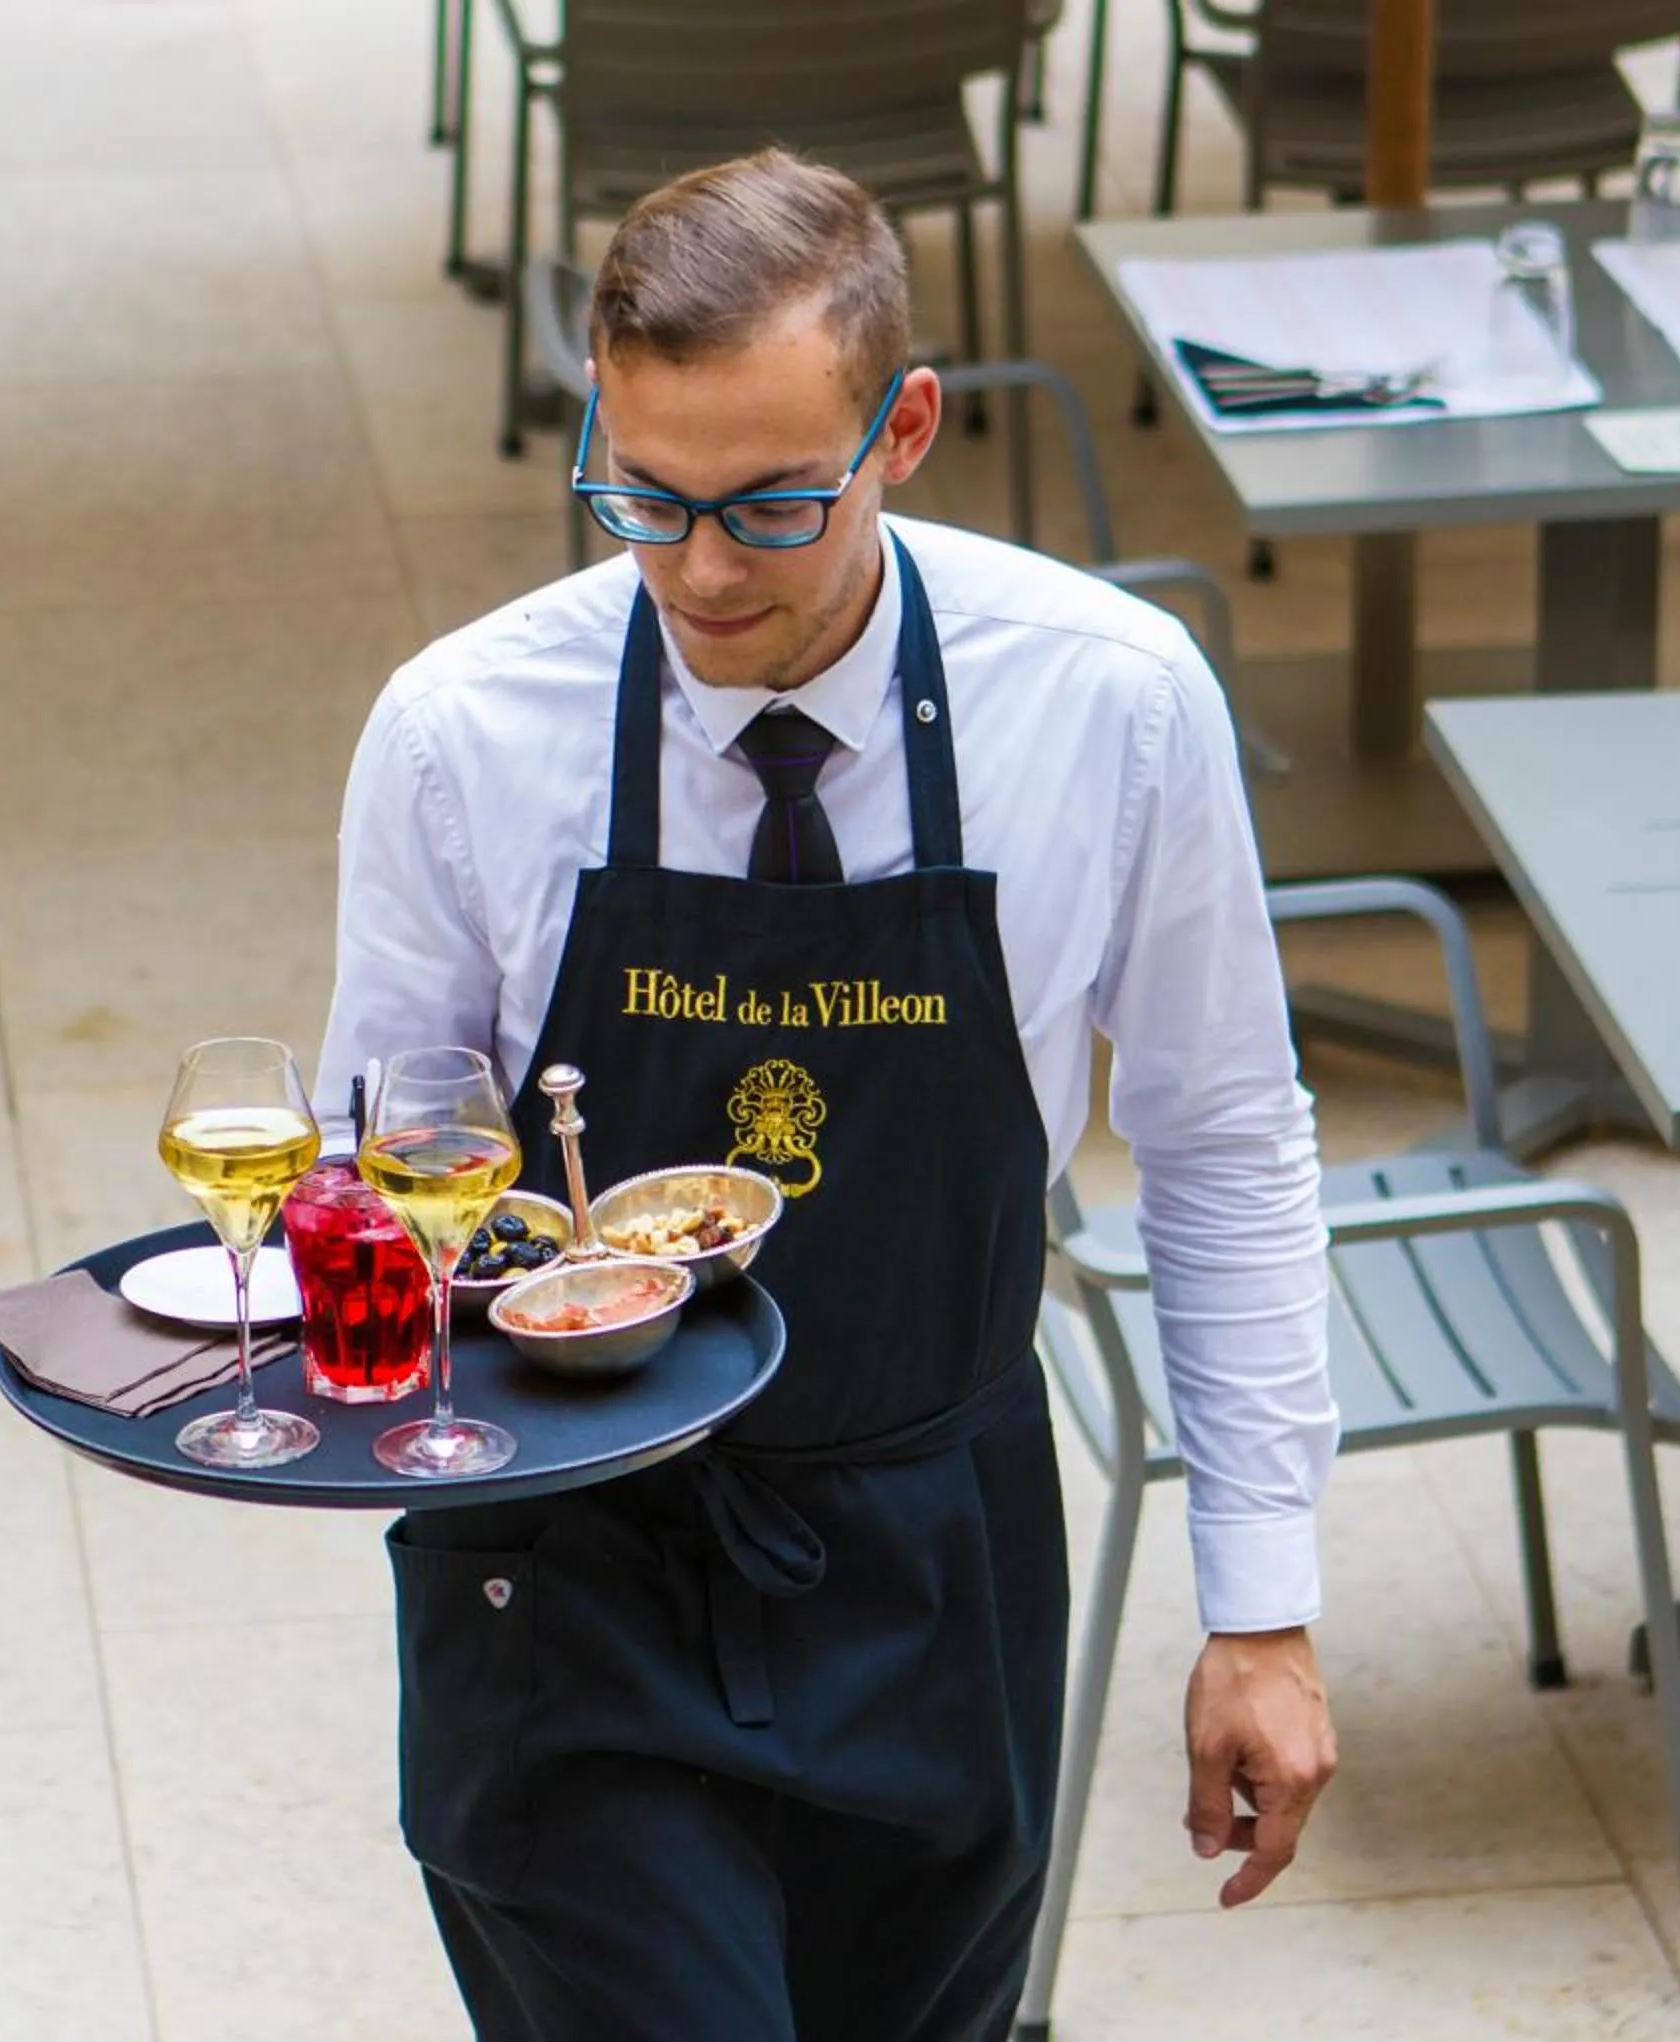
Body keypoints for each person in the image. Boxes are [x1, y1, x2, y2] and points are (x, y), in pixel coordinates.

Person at [318, 148, 1337, 2041]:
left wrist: (1260, 1603)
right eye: (644, 497)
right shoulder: (464, 731)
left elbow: (1225, 1143)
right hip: (570, 1570)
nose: (700, 570)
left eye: (773, 506)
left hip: (938, 1555)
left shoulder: (1109, 702)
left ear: (906, 429)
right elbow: (378, 1164)